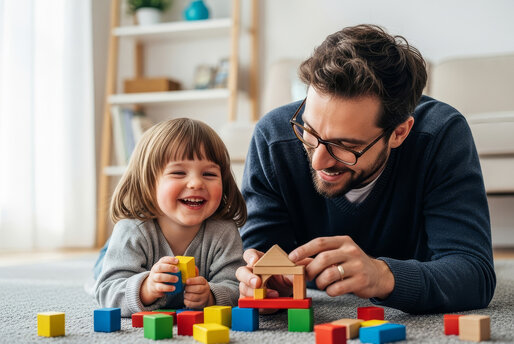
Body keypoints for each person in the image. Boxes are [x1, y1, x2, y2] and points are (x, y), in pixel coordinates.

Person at [236, 24, 496, 314]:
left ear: (399, 133)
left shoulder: (441, 135)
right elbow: (258, 256)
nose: (317, 161)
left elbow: (474, 274)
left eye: (344, 145)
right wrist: (262, 285)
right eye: (309, 131)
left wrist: (383, 275)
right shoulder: (273, 137)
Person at [92, 118, 247, 317]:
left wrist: (211, 297)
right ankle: (107, 250)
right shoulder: (132, 230)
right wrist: (145, 288)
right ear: (148, 182)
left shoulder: (224, 231)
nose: (196, 183)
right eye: (178, 172)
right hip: (126, 247)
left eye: (209, 174)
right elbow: (107, 292)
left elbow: (236, 286)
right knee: (100, 271)